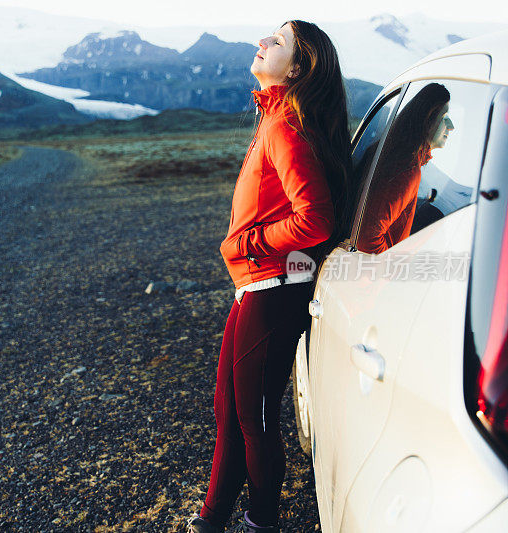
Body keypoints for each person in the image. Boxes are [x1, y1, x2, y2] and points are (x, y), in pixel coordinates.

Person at [188, 20, 352, 533]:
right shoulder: (277, 120)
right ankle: (211, 520)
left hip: (274, 288)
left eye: (278, 42)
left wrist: (246, 244)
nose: (263, 42)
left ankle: (259, 523)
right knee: (231, 414)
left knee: (254, 422)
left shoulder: (285, 127)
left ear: (298, 69)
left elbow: (315, 219)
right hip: (256, 287)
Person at [357, 83, 453, 254]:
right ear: (428, 118)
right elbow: (367, 238)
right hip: (369, 276)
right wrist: (391, 269)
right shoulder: (407, 170)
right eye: (444, 116)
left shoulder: (392, 153)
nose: (451, 126)